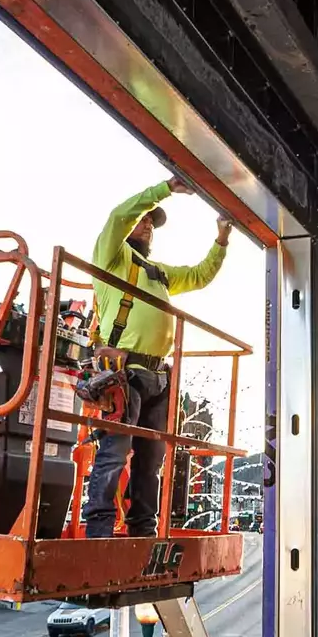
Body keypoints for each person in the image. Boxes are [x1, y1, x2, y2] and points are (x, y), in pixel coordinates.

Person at [81, 179, 232, 539]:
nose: (147, 224)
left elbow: (199, 275)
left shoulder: (159, 274)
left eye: (152, 222)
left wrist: (222, 240)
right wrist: (165, 189)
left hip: (158, 378)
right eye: (144, 219)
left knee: (150, 463)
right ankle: (99, 531)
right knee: (114, 453)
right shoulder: (111, 259)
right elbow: (120, 215)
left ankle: (142, 530)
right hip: (123, 373)